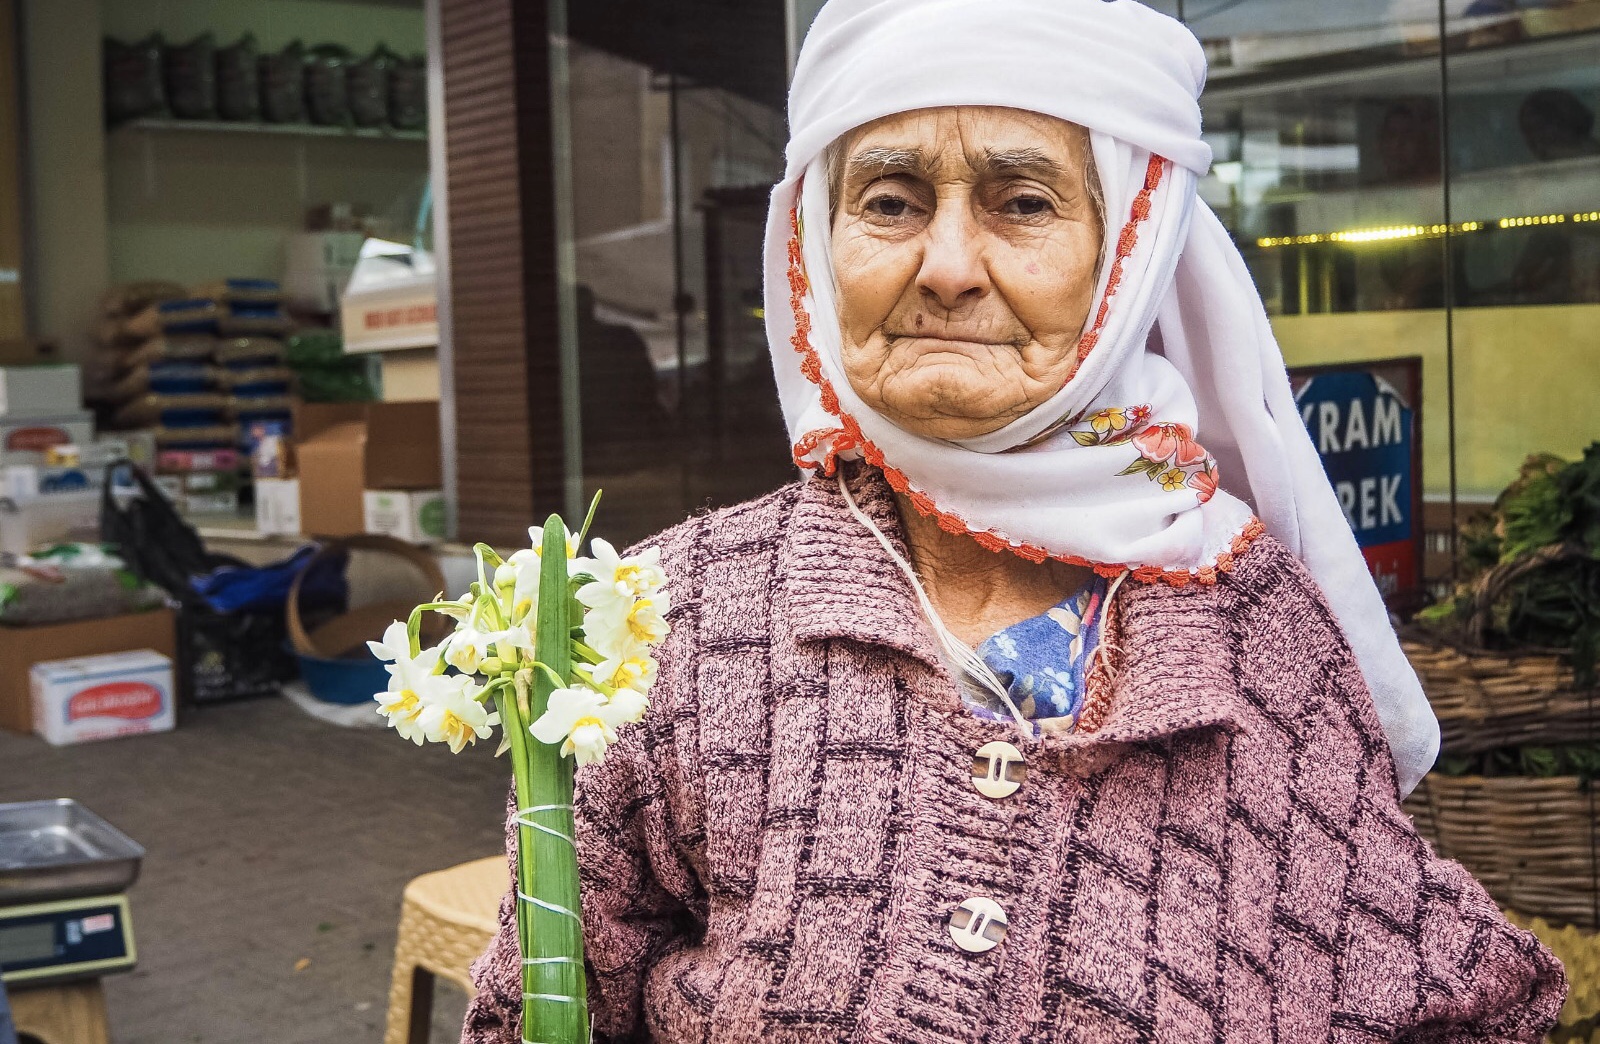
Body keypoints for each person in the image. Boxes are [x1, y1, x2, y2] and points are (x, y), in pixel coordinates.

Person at [465, 1, 1565, 1040]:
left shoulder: (1258, 629)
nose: (945, 267)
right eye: (889, 201)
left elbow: (1458, 1004)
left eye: (1023, 203)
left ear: (1125, 255)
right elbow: (544, 1003)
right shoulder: (673, 615)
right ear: (815, 240)